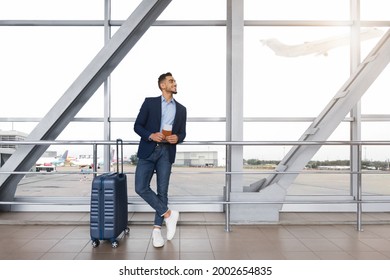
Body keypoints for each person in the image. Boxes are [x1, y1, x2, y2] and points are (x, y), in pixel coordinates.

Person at [134, 72, 187, 248]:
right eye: (171, 81)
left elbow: (182, 132)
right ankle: (169, 214)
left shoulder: (181, 109)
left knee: (162, 192)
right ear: (162, 85)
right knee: (140, 187)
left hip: (167, 152)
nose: (175, 83)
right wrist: (150, 135)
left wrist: (177, 138)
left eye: (175, 81)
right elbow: (137, 126)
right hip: (149, 150)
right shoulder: (149, 102)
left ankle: (157, 230)